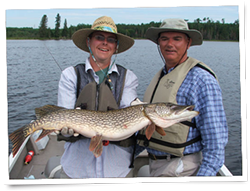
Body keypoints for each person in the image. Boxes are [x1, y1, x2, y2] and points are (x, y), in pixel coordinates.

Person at [136, 18, 228, 176]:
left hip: (181, 168)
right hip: (156, 164)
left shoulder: (202, 80)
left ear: (188, 43)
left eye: (177, 39)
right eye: (164, 39)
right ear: (159, 43)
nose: (169, 44)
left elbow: (215, 144)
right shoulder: (162, 76)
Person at [57, 16, 138, 178]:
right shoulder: (70, 75)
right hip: (76, 169)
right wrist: (65, 131)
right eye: (99, 37)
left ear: (116, 47)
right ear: (89, 42)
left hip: (117, 170)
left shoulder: (128, 77)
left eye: (111, 40)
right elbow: (64, 122)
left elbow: (128, 115)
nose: (105, 43)